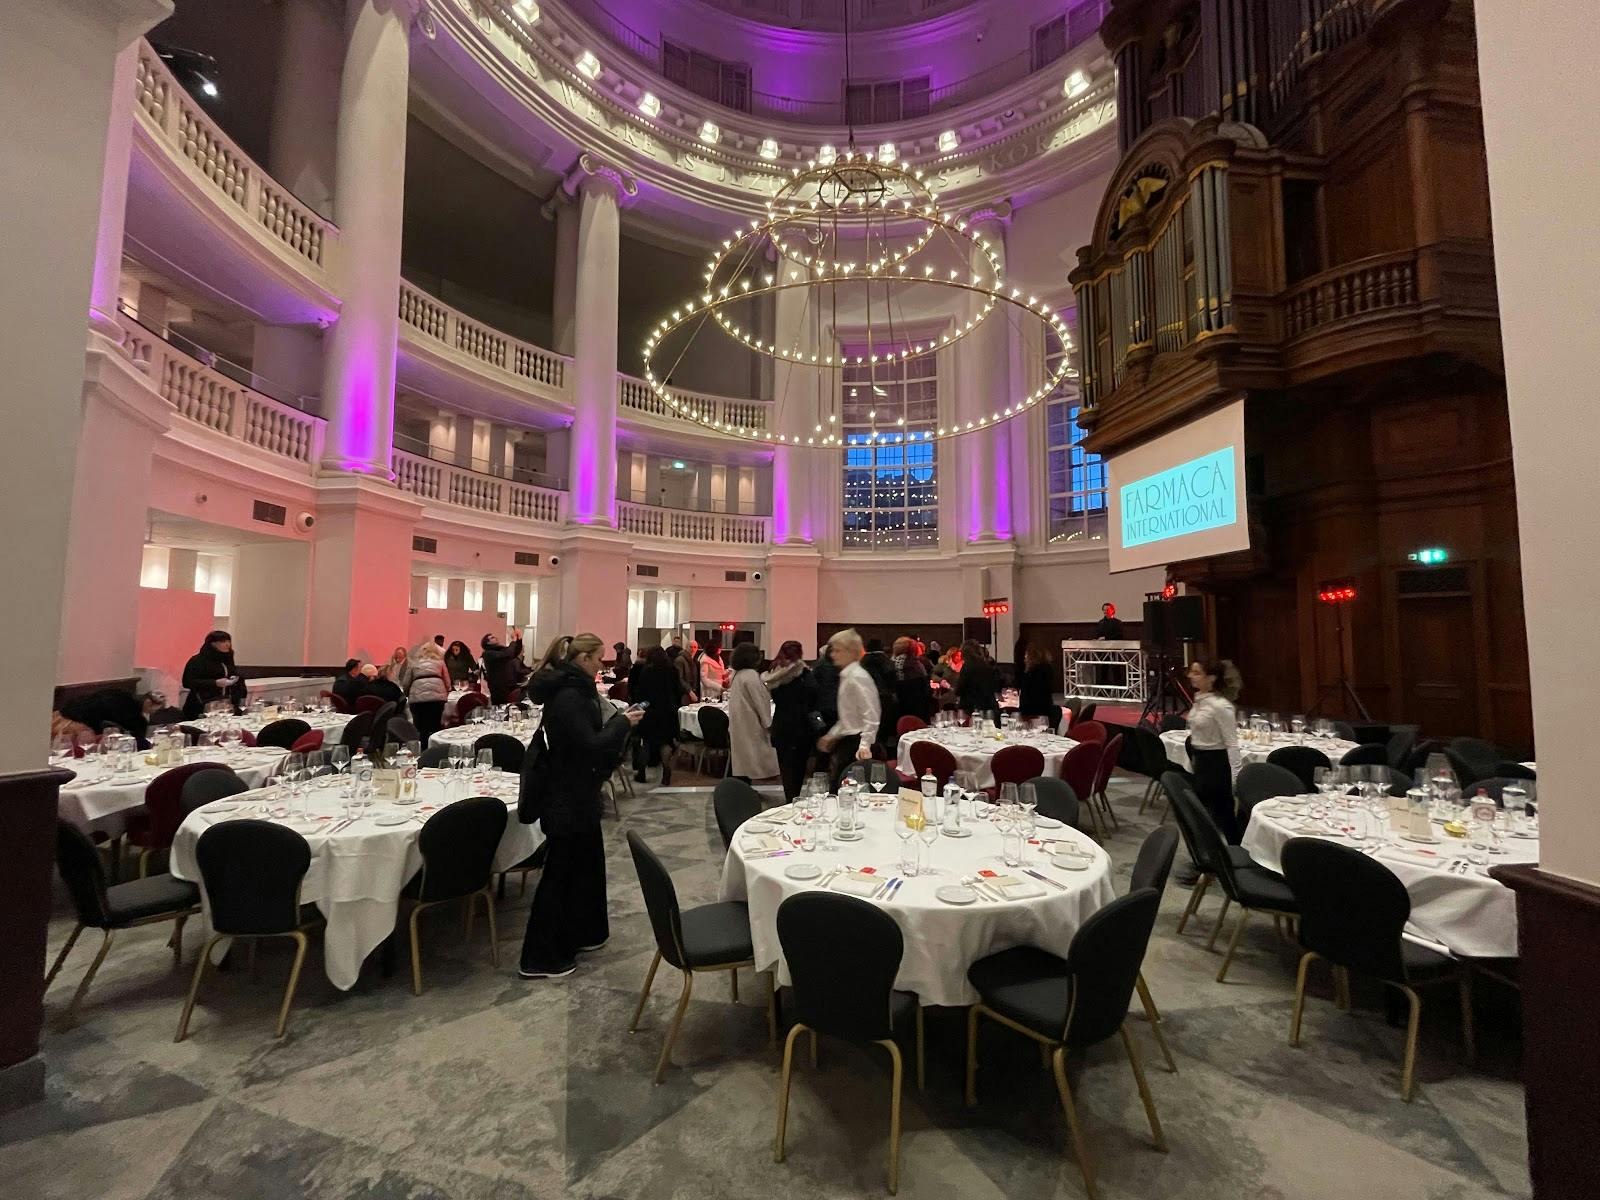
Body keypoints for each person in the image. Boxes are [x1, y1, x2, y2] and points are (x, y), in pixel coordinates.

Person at [518, 634, 644, 980]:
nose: (602, 665)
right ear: (584, 659)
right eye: (599, 659)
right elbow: (587, 745)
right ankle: (541, 957)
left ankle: (583, 933)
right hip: (566, 796)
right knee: (561, 873)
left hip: (579, 793)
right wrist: (622, 723)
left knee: (586, 866)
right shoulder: (570, 696)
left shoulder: (575, 691)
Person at [1185, 656, 1244, 843]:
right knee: (1202, 816)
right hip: (1201, 762)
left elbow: (1232, 743)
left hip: (1216, 765)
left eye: (1196, 673)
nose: (1190, 676)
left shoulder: (1221, 706)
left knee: (1224, 815)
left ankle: (1234, 856)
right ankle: (1207, 861)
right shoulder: (1200, 701)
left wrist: (1236, 777)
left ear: (1211, 678)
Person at [816, 628, 879, 789]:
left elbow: (871, 713)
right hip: (848, 741)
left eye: (837, 650)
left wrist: (865, 745)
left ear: (851, 652)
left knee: (847, 792)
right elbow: (848, 716)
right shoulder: (848, 675)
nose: (832, 654)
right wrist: (832, 735)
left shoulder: (858, 677)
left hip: (856, 744)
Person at [764, 640, 818, 801]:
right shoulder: (803, 674)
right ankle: (794, 796)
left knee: (785, 766)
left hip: (781, 724)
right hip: (801, 726)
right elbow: (814, 694)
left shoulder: (773, 673)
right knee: (799, 766)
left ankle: (789, 797)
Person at [630, 646, 690, 784]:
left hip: (650, 710)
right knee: (666, 741)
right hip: (668, 710)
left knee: (646, 741)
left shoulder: (647, 671)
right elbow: (678, 690)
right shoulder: (672, 670)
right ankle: (666, 769)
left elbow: (640, 693)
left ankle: (642, 772)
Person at [727, 642, 780, 783]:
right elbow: (760, 701)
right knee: (751, 758)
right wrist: (768, 723)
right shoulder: (751, 676)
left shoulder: (737, 674)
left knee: (742, 761)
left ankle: (742, 787)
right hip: (751, 724)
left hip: (740, 722)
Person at [56, 688, 165, 749]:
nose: (154, 713)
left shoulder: (125, 697)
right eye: (154, 710)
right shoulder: (132, 714)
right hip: (74, 720)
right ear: (148, 702)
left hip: (70, 711)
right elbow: (135, 738)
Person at [181, 631, 245, 718]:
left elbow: (232, 673)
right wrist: (215, 683)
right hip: (202, 705)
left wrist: (234, 679)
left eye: (228, 641)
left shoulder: (227, 659)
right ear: (212, 644)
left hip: (225, 704)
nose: (227, 644)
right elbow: (187, 682)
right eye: (223, 642)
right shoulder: (197, 660)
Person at [405, 640, 450, 741]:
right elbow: (447, 682)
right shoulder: (440, 662)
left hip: (417, 699)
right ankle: (435, 750)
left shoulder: (413, 663)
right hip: (437, 699)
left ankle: (422, 749)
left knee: (420, 727)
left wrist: (408, 694)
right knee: (435, 726)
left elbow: (406, 682)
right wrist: (446, 693)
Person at [859, 650, 900, 755]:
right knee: (884, 726)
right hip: (885, 697)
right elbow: (894, 679)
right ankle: (882, 752)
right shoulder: (887, 661)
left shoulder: (862, 662)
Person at [890, 636, 934, 725]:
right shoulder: (916, 664)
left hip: (897, 705)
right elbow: (924, 685)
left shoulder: (890, 663)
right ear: (912, 649)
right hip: (916, 704)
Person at [955, 638, 1000, 720]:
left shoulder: (967, 666)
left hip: (971, 707)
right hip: (989, 705)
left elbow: (960, 687)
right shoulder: (987, 665)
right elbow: (996, 685)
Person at [1018, 644, 1060, 727]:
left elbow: (1027, 695)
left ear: (1032, 657)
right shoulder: (1048, 671)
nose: (1025, 658)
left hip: (1033, 713)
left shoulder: (1032, 674)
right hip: (1046, 710)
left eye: (1026, 655)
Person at [482, 632, 530, 703]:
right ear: (488, 643)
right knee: (500, 708)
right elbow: (507, 654)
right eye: (492, 638)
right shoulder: (488, 653)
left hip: (509, 685)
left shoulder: (501, 649)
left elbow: (515, 652)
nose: (495, 638)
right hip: (498, 688)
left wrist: (519, 639)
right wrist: (513, 641)